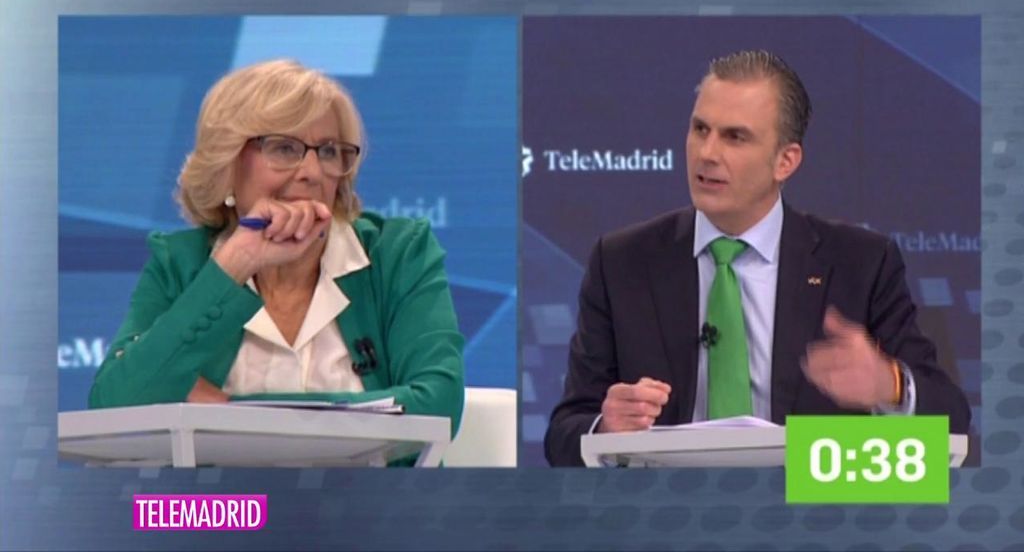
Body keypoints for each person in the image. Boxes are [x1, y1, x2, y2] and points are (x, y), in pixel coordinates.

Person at [545, 50, 971, 467]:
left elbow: (953, 422)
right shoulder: (623, 262)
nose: (707, 153)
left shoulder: (861, 263)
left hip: (810, 502)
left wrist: (889, 385)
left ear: (785, 161)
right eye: (700, 129)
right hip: (667, 502)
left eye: (735, 137)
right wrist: (606, 427)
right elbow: (563, 434)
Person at [89, 60, 465, 440]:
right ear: (227, 162)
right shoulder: (180, 265)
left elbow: (438, 406)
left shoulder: (397, 254)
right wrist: (234, 265)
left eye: (329, 151)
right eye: (284, 148)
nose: (312, 173)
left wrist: (227, 413)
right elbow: (114, 411)